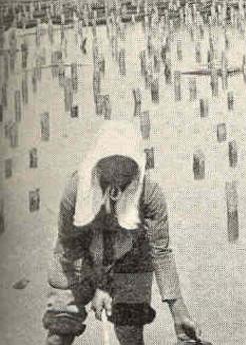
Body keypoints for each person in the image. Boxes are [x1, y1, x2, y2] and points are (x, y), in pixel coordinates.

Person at [42, 121, 201, 345]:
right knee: (61, 325)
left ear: (136, 165)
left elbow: (161, 252)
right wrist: (100, 284)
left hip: (132, 254)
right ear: (98, 163)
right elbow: (69, 243)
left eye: (125, 165)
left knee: (130, 326)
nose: (117, 172)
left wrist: (179, 311)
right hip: (79, 254)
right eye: (110, 164)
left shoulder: (150, 194)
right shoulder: (75, 189)